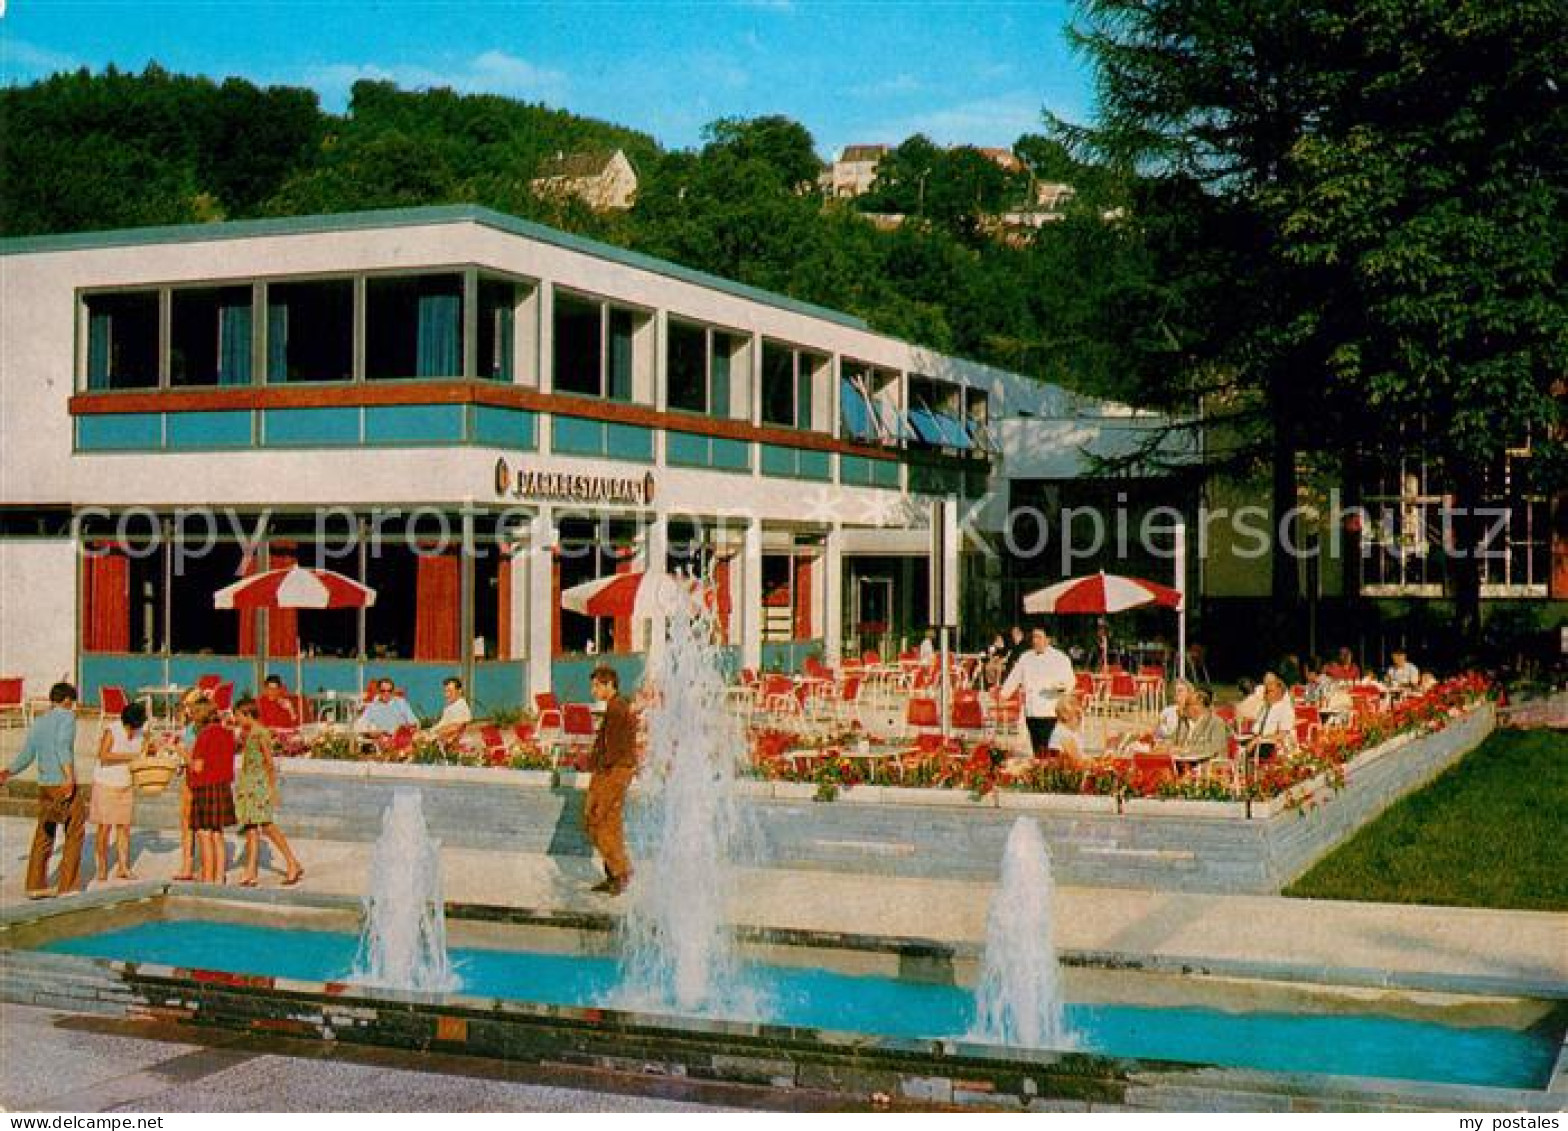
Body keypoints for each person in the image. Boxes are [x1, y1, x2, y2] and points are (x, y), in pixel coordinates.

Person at [0, 682, 84, 899]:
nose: (72, 706)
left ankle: (35, 885)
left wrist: (8, 772)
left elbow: (27, 754)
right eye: (72, 702)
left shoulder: (39, 721)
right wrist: (69, 777)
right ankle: (68, 886)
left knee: (44, 832)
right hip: (61, 783)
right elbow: (62, 745)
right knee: (74, 831)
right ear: (66, 700)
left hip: (45, 784)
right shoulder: (67, 717)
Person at [231, 697, 304, 887]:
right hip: (248, 785)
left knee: (267, 826)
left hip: (258, 785)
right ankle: (250, 871)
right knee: (251, 829)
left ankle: (292, 862)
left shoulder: (260, 733)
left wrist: (272, 790)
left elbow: (270, 764)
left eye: (238, 715)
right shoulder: (249, 733)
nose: (236, 719)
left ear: (247, 714)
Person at [584, 665, 638, 895]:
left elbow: (613, 749)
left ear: (609, 685)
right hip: (613, 770)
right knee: (607, 822)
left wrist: (600, 766)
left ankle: (620, 872)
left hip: (613, 771)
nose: (593, 690)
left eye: (596, 685)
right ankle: (615, 874)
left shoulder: (617, 709)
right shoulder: (616, 707)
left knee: (597, 820)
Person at [90, 700, 147, 883]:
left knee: (124, 827)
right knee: (104, 827)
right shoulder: (112, 730)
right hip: (106, 782)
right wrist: (130, 756)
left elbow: (144, 753)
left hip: (125, 783)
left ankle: (123, 867)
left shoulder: (140, 733)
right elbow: (103, 755)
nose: (133, 731)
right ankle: (101, 867)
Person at [999, 626, 1076, 755]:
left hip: (1050, 712)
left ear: (1048, 639)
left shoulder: (1060, 658)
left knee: (1050, 750)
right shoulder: (1025, 657)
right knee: (1037, 750)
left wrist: (1056, 690)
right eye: (1034, 637)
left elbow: (1070, 682)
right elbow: (1014, 677)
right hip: (1032, 711)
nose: (1035, 640)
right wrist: (1003, 694)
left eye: (1039, 637)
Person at [186, 698, 236, 884]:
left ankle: (207, 877)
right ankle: (219, 876)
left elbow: (198, 767)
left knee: (204, 834)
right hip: (222, 786)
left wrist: (182, 753)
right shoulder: (227, 733)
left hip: (205, 787)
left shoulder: (204, 736)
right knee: (217, 834)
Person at [1244, 673, 1298, 763]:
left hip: (1270, 745)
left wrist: (1258, 740)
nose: (1266, 694)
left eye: (1270, 691)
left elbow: (1282, 735)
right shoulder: (1265, 707)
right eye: (1266, 691)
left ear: (1280, 691)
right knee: (1234, 745)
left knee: (1243, 751)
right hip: (1257, 740)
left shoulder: (1285, 709)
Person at [1171, 687, 1230, 768]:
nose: (1183, 708)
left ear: (1198, 705)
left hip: (1208, 768)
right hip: (1182, 765)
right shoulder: (1184, 722)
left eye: (1187, 704)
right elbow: (1173, 741)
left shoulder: (1216, 722)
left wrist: (1185, 750)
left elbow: (1214, 748)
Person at [355, 679, 419, 737]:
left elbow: (413, 721)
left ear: (393, 691)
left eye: (389, 691)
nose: (386, 693)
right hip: (382, 739)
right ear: (378, 691)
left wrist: (410, 727)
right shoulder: (372, 707)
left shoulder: (401, 703)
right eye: (383, 691)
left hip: (401, 738)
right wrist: (370, 732)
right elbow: (359, 725)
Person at [428, 677, 472, 747]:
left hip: (453, 741)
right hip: (442, 736)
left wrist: (434, 734)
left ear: (459, 691)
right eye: (445, 691)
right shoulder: (451, 705)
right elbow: (443, 722)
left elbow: (456, 728)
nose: (446, 695)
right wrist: (430, 731)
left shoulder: (461, 706)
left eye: (450, 691)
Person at [1046, 693, 1087, 766]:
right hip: (1064, 771)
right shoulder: (1063, 733)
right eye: (1077, 715)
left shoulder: (1070, 732)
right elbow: (1076, 759)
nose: (1081, 720)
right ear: (1066, 716)